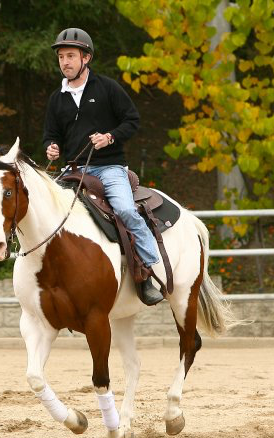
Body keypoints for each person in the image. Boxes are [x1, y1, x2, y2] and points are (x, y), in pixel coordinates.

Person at [42, 27, 163, 306]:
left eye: (70, 56)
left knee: (123, 209)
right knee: (46, 212)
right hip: (73, 170)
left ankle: (149, 271)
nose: (65, 62)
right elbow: (51, 133)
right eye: (61, 57)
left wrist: (110, 137)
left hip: (109, 168)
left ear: (86, 58)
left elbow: (132, 120)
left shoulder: (107, 87)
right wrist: (51, 146)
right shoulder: (56, 98)